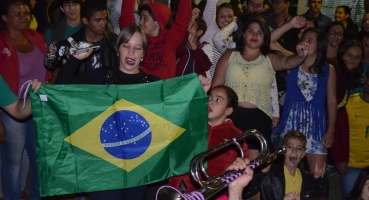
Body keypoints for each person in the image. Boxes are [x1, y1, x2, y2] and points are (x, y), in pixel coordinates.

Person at [55, 24, 211, 199]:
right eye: (126, 46)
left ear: (143, 54)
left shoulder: (153, 85)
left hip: (139, 168)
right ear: (118, 49)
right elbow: (61, 90)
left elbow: (178, 113)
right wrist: (75, 60)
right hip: (103, 168)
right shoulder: (98, 77)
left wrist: (198, 94)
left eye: (137, 48)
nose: (131, 52)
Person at [212, 14, 309, 162]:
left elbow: (289, 62)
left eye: (260, 32)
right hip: (231, 118)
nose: (254, 35)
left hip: (258, 119)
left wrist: (301, 55)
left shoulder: (270, 58)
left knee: (252, 168)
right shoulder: (229, 55)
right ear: (243, 33)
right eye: (251, 31)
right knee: (227, 164)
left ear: (265, 37)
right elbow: (216, 88)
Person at [0, 0, 50, 198]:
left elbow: (49, 67)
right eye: (17, 14)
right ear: (5, 18)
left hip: (38, 107)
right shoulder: (2, 44)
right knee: (13, 163)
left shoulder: (34, 36)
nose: (24, 17)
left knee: (39, 159)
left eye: (26, 13)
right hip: (12, 111)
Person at [168, 85, 248, 196]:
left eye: (218, 100)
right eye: (209, 98)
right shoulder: (193, 128)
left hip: (221, 195)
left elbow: (241, 168)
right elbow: (178, 165)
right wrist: (172, 190)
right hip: (191, 194)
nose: (210, 102)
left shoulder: (236, 135)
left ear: (228, 110)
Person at [278, 28, 336, 174]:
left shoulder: (329, 69)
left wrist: (331, 131)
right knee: (286, 174)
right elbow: (271, 43)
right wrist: (291, 24)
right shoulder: (292, 63)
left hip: (316, 129)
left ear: (320, 45)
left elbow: (331, 101)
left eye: (310, 41)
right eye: (304, 40)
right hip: (292, 125)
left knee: (318, 175)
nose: (306, 43)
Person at [242, 130, 329, 199]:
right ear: (283, 150)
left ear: (303, 154)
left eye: (299, 148)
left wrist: (319, 182)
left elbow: (321, 197)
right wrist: (261, 173)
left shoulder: (308, 178)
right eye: (290, 147)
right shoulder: (271, 173)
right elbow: (246, 192)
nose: (294, 151)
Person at [44, 0, 118, 77]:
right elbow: (50, 65)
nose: (103, 24)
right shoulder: (71, 43)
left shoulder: (114, 41)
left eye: (105, 19)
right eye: (98, 20)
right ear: (85, 21)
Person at [119, 0, 191, 80]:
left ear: (157, 21)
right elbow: (125, 19)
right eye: (141, 17)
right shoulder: (138, 38)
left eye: (145, 18)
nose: (140, 22)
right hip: (142, 88)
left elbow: (183, 18)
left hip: (164, 90)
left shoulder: (170, 38)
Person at [330, 70, 369, 200]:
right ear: (366, 80)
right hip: (351, 165)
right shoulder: (349, 103)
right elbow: (336, 132)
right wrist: (339, 159)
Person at [176, 12, 212, 77]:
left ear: (199, 32)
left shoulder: (204, 47)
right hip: (178, 84)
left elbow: (205, 66)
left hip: (195, 85)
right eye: (187, 25)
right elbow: (178, 52)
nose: (188, 28)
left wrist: (193, 44)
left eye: (192, 25)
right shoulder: (179, 45)